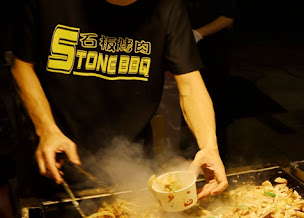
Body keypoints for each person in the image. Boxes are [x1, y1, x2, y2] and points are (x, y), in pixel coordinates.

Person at [10, 0, 228, 199]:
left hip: (132, 161)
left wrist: (209, 146)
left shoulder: (167, 5)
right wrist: (46, 129)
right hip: (58, 155)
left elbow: (190, 82)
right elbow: (21, 66)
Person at [186, 0, 236, 160]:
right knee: (191, 97)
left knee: (217, 102)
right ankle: (197, 152)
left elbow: (229, 18)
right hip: (188, 51)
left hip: (215, 51)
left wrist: (199, 33)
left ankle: (219, 156)